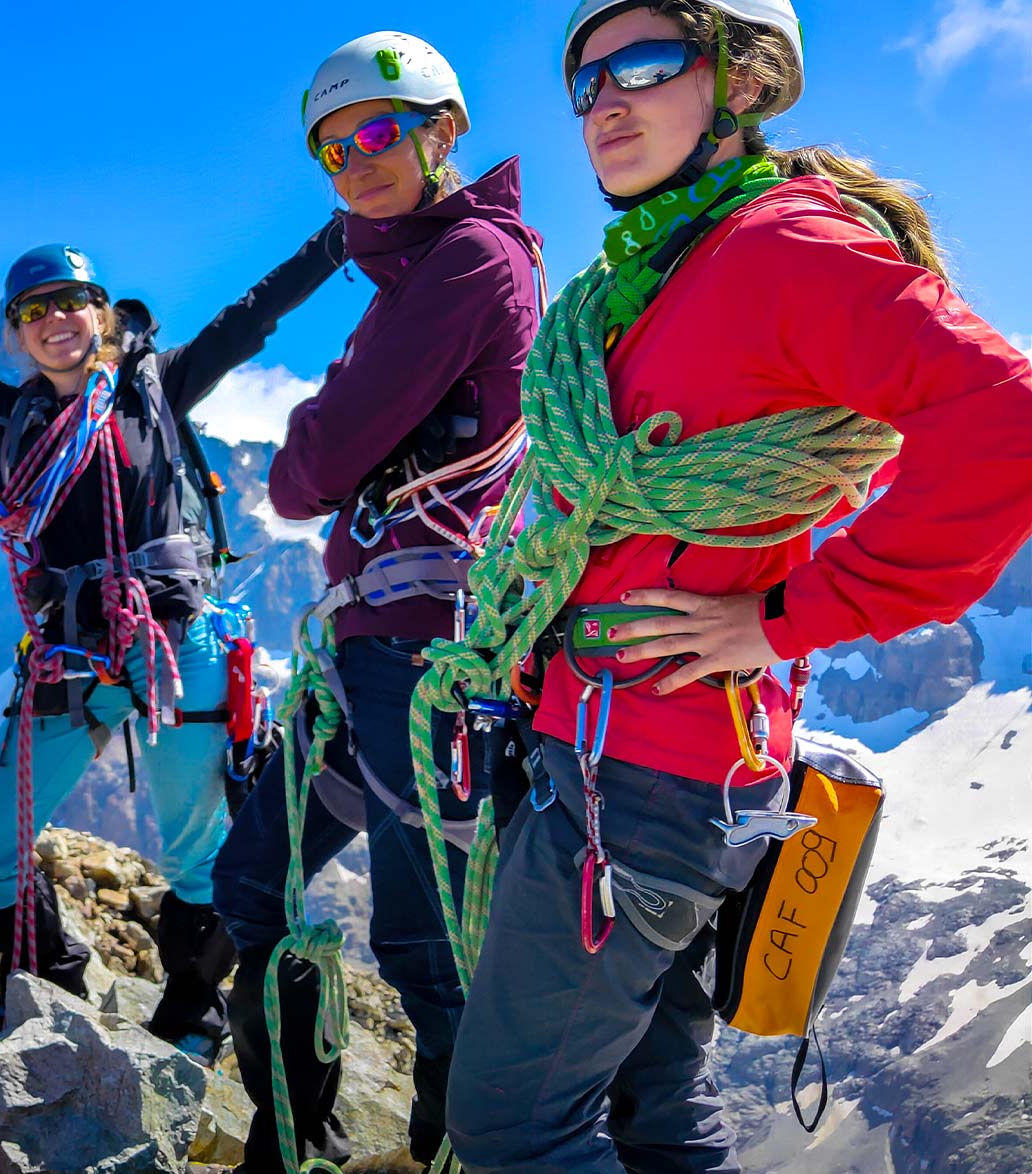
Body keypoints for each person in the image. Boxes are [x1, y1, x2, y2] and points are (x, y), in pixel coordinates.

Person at [421, 3, 1032, 1170]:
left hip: (641, 772)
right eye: (583, 79)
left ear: (742, 82)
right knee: (656, 1107)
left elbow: (1001, 422)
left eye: (643, 65)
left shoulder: (777, 244)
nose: (603, 99)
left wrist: (787, 616)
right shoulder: (659, 271)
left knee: (509, 1126)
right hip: (639, 754)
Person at [0, 194, 346, 1058]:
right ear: (15, 334)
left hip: (172, 644)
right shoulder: (8, 419)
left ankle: (190, 1010)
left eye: (70, 301)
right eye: (32, 311)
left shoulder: (158, 394)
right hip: (72, 656)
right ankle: (49, 989)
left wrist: (344, 234)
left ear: (101, 314)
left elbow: (253, 314)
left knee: (201, 859)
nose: (54, 320)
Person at [209, 31, 545, 1173]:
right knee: (249, 877)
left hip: (421, 657)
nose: (351, 161)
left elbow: (305, 467)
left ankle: (455, 1151)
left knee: (427, 940)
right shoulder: (416, 272)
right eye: (330, 148)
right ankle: (294, 1133)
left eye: (374, 133)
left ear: (441, 131)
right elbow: (321, 460)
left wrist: (324, 437)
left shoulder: (467, 263)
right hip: (373, 657)